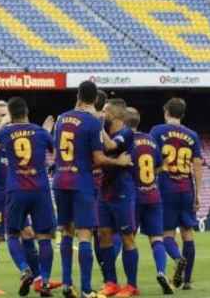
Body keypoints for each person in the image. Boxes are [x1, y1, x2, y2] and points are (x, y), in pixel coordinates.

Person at [52, 81, 132, 298]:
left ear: (78, 95)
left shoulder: (60, 118)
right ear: (95, 99)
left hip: (60, 180)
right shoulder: (93, 121)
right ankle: (86, 288)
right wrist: (119, 162)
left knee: (66, 232)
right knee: (85, 235)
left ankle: (67, 283)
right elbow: (98, 157)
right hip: (81, 181)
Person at [0, 97, 56, 297]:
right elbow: (56, 153)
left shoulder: (6, 132)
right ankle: (45, 280)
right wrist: (47, 132)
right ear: (26, 111)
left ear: (11, 114)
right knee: (43, 237)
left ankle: (25, 268)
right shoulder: (40, 131)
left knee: (12, 234)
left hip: (16, 190)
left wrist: (0, 130)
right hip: (40, 189)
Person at [150, 98, 203, 290]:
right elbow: (197, 165)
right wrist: (198, 194)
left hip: (166, 186)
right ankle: (187, 281)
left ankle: (178, 258)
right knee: (188, 233)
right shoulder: (193, 135)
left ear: (166, 112)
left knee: (167, 234)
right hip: (186, 187)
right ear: (182, 114)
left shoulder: (157, 131)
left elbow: (151, 157)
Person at [126, 107, 174, 295]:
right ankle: (162, 272)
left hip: (133, 196)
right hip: (153, 194)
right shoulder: (151, 140)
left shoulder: (125, 141)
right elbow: (161, 166)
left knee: (128, 239)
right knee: (157, 239)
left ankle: (127, 283)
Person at [97, 99, 139, 298]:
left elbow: (112, 146)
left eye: (105, 111)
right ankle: (111, 283)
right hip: (104, 191)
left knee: (127, 237)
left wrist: (98, 127)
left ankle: (131, 286)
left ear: (116, 115)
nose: (101, 113)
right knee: (104, 235)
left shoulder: (126, 133)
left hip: (122, 191)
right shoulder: (102, 132)